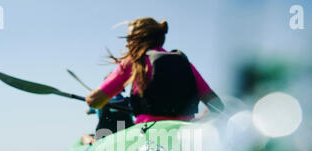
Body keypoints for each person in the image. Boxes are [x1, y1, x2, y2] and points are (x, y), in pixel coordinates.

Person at [85, 17, 225, 124]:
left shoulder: (134, 62)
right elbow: (218, 106)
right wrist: (196, 121)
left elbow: (94, 101)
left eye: (129, 39)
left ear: (140, 38)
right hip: (185, 132)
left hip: (149, 135)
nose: (127, 43)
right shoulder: (184, 62)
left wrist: (90, 99)